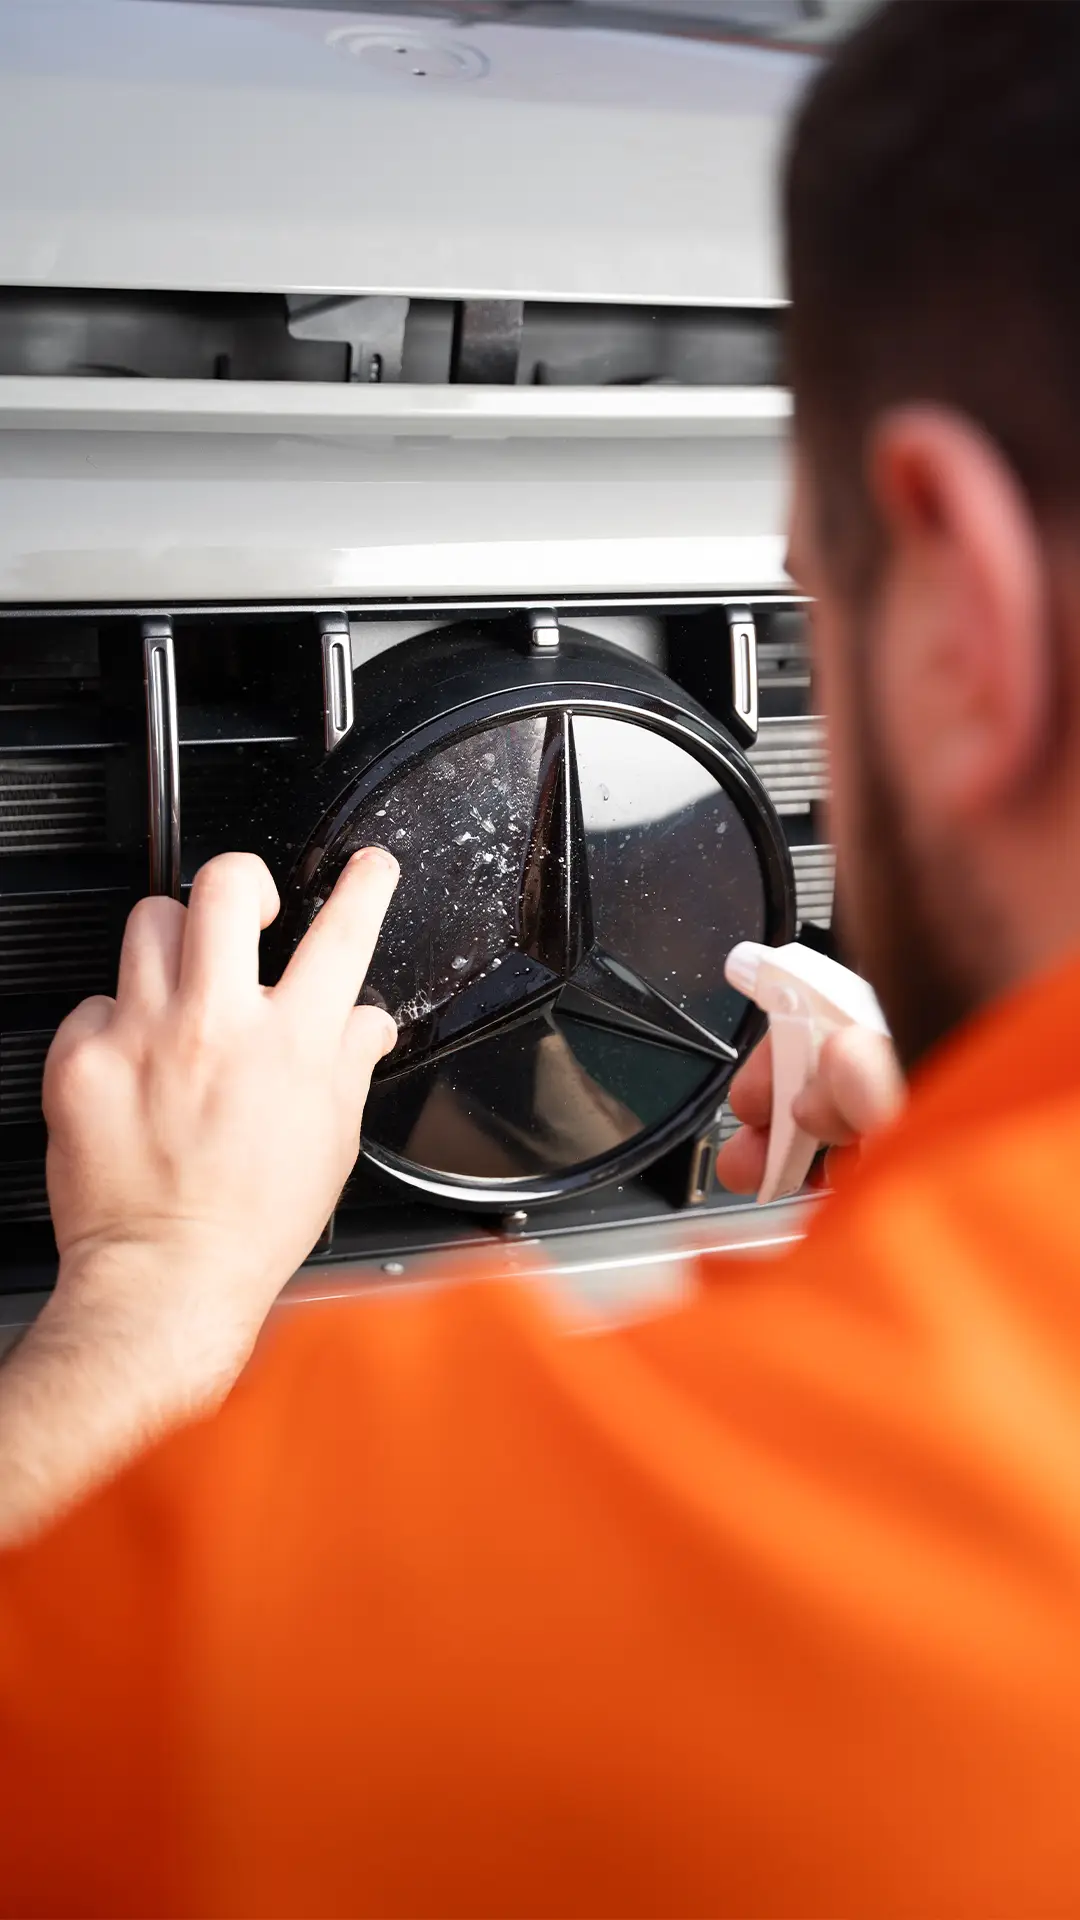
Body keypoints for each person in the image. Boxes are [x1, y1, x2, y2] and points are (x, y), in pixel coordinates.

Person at [5, 1, 1080, 1910]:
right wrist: (960, 1199)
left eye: (812, 609)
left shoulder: (452, 1592)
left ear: (960, 616)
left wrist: (154, 1291)